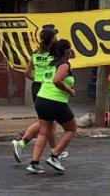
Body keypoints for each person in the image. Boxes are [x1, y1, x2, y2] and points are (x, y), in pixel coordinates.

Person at [27, 39, 75, 174]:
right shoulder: (64, 65)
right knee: (71, 128)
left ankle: (34, 163)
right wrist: (70, 91)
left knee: (44, 132)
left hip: (41, 99)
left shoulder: (50, 63)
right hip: (55, 101)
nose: (71, 51)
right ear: (66, 51)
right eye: (70, 49)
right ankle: (55, 156)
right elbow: (56, 81)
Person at [12, 27, 57, 162]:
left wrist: (37, 78)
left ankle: (55, 151)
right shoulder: (52, 55)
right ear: (52, 39)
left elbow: (26, 73)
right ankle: (21, 143)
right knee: (45, 122)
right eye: (54, 36)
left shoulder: (35, 54)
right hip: (47, 88)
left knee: (50, 122)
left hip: (36, 86)